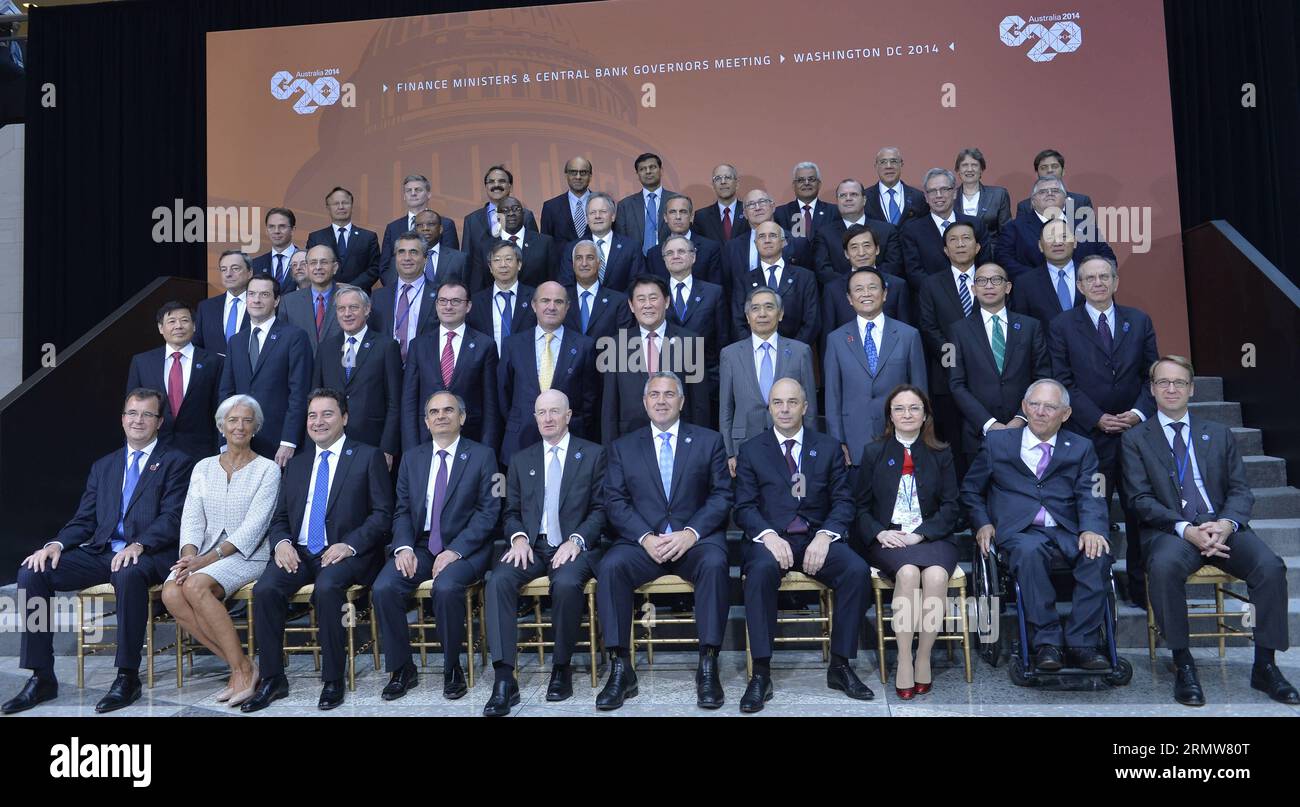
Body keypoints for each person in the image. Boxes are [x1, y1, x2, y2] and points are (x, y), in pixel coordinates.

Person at [2, 389, 194, 715]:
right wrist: (55, 545)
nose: (138, 420)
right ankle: (41, 674)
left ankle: (127, 675)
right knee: (31, 572)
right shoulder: (105, 466)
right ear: (122, 419)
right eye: (132, 413)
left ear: (159, 422)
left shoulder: (176, 462)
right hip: (102, 551)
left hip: (148, 553)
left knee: (128, 571)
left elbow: (173, 517)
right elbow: (84, 519)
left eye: (147, 414)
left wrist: (140, 544)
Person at [1122, 356, 1297, 706]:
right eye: (1163, 383)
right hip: (1172, 531)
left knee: (1271, 566)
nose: (1171, 389)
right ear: (1152, 389)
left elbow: (1240, 490)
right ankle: (1182, 661)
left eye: (1179, 383)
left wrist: (1226, 524)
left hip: (1222, 526)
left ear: (1192, 389)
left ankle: (1265, 664)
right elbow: (1139, 499)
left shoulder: (1217, 433)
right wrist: (1186, 529)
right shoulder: (1135, 439)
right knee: (1165, 567)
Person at [241, 389, 394, 712]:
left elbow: (382, 515)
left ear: (345, 418)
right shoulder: (297, 465)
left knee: (327, 588)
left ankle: (333, 678)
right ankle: (272, 678)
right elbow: (280, 517)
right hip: (299, 551)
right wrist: (281, 543)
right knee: (266, 589)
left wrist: (349, 544)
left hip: (346, 552)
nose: (318, 421)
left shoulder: (367, 456)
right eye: (312, 415)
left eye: (327, 414)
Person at [595, 372, 733, 710]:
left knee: (715, 564)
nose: (661, 400)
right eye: (654, 394)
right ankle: (620, 668)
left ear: (682, 401)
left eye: (669, 394)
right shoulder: (623, 447)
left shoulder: (708, 441)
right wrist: (644, 537)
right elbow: (614, 501)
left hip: (693, 542)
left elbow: (721, 496)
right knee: (611, 566)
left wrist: (690, 534)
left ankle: (708, 663)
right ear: (644, 403)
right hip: (643, 542)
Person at [735, 378, 873, 712]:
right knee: (761, 572)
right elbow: (744, 507)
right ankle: (761, 673)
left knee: (855, 570)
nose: (784, 409)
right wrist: (768, 536)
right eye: (778, 402)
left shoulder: (827, 447)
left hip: (816, 537)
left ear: (805, 407)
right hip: (770, 539)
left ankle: (840, 665)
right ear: (769, 407)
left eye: (792, 402)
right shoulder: (752, 449)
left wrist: (826, 536)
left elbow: (843, 502)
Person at [960, 379, 1112, 670]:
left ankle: (1083, 643)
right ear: (1024, 407)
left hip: (1067, 528)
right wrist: (982, 523)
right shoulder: (997, 443)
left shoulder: (1081, 448)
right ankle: (1047, 642)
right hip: (1020, 531)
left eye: (1050, 407)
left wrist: (1092, 528)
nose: (1041, 412)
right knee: (1029, 553)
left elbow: (1092, 494)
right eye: (1035, 404)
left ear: (1065, 414)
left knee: (1097, 553)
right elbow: (970, 490)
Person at [483, 390, 607, 716]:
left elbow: (601, 508)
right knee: (498, 581)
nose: (548, 418)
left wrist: (577, 539)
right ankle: (504, 677)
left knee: (566, 584)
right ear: (535, 418)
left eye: (555, 412)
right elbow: (509, 512)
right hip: (532, 548)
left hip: (573, 548)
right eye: (541, 413)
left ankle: (561, 667)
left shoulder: (593, 454)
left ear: (568, 416)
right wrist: (519, 538)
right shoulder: (521, 459)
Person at [373, 391, 502, 700]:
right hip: (419, 545)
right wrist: (402, 546)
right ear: (426, 421)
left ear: (462, 417)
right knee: (384, 587)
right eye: (433, 412)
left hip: (466, 548)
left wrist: (455, 550)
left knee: (445, 588)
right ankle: (402, 667)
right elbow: (402, 509)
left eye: (448, 410)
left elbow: (489, 511)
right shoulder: (413, 457)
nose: (440, 415)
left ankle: (452, 666)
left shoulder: (483, 455)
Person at [1049, 255, 1159, 606]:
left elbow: (1150, 377)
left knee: (1139, 513)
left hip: (1134, 437)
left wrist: (1138, 413)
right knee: (1089, 514)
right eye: (1089, 278)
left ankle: (1142, 589)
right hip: (1087, 436)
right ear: (1079, 286)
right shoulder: (1062, 325)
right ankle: (1096, 589)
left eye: (1104, 277)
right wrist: (1097, 417)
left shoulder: (1139, 321)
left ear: (1115, 282)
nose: (1097, 283)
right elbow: (1062, 380)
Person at [159, 394, 278, 708]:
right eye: (233, 420)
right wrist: (188, 556)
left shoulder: (267, 470)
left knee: (196, 585)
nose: (239, 426)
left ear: (255, 428)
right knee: (171, 593)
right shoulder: (203, 467)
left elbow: (254, 527)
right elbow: (192, 517)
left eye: (247, 420)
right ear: (221, 426)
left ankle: (240, 670)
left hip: (248, 554)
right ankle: (244, 666)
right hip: (203, 555)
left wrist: (203, 562)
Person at [852, 385, 960, 698]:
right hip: (889, 538)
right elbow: (859, 506)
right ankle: (903, 657)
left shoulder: (941, 452)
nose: (907, 414)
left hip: (931, 535)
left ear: (925, 414)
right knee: (909, 573)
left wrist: (922, 532)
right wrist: (878, 532)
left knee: (937, 575)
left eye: (914, 408)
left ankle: (923, 656)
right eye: (899, 409)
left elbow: (952, 505)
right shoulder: (874, 452)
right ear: (890, 415)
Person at [949, 262, 1051, 470]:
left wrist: (1021, 418)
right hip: (978, 434)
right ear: (973, 289)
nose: (989, 285)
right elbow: (956, 384)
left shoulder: (1031, 326)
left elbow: (1042, 378)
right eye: (981, 281)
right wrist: (989, 424)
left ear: (1008, 287)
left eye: (996, 280)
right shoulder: (957, 330)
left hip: (1027, 431)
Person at [824, 267, 927, 467]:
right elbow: (833, 397)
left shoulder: (908, 335)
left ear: (885, 293)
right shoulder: (836, 339)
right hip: (854, 441)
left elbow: (921, 391)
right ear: (849, 298)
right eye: (859, 289)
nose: (866, 294)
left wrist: (921, 437)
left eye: (872, 287)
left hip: (902, 437)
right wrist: (839, 442)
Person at [217, 273, 313, 467]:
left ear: (276, 300)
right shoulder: (236, 341)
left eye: (264, 295)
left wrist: (289, 440)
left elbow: (299, 393)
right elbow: (226, 394)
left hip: (278, 443)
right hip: (239, 438)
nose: (256, 300)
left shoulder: (294, 337)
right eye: (251, 294)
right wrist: (224, 438)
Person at [497, 280, 599, 463]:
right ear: (534, 305)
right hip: (521, 439)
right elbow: (504, 392)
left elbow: (589, 399)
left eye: (558, 302)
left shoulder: (584, 346)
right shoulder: (513, 344)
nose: (551, 307)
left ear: (567, 307)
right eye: (545, 301)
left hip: (568, 439)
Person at [600, 274, 710, 442]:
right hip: (630, 440)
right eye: (641, 299)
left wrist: (701, 446)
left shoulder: (690, 341)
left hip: (680, 440)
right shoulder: (616, 345)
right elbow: (609, 407)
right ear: (631, 305)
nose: (648, 305)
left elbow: (699, 404)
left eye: (653, 298)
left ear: (666, 302)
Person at [720, 287, 817, 474]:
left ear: (780, 314)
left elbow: (810, 407)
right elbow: (725, 408)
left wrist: (810, 448)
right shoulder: (730, 354)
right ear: (747, 317)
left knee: (792, 494)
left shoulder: (800, 351)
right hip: (744, 443)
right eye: (755, 309)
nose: (762, 314)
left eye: (769, 307)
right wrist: (729, 452)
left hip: (791, 443)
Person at [401, 277, 499, 452]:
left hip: (471, 439)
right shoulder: (418, 345)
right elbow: (409, 400)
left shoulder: (485, 345)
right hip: (425, 440)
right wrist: (411, 448)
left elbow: (490, 404)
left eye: (455, 301)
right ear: (436, 304)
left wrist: (488, 448)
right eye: (443, 301)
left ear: (468, 306)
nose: (448, 306)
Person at [313, 285, 402, 465]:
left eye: (353, 307)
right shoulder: (326, 348)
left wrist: (387, 447)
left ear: (367, 309)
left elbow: (395, 402)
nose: (347, 313)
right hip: (332, 439)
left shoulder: (386, 346)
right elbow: (316, 395)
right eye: (341, 308)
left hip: (372, 441)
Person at [126, 300, 223, 459]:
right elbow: (132, 407)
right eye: (171, 321)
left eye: (184, 320)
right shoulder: (142, 362)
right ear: (160, 328)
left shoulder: (214, 362)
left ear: (194, 326)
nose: (178, 326)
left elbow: (219, 408)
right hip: (154, 448)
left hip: (200, 451)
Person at [997, 176, 1115, 279]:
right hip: (1035, 292)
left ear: (1065, 198)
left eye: (1055, 191)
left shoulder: (1084, 225)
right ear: (1033, 201)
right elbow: (1004, 260)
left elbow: (1107, 256)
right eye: (1043, 192)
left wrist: (1089, 276)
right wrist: (1036, 277)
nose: (1049, 194)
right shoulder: (1014, 227)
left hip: (1084, 291)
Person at [900, 168, 988, 296]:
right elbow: (914, 272)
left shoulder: (975, 224)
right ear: (926, 197)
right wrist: (941, 294)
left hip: (973, 295)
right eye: (932, 191)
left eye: (944, 189)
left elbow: (984, 262)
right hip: (932, 299)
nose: (938, 195)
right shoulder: (911, 230)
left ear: (954, 193)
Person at [820, 225, 911, 349]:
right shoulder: (833, 290)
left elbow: (906, 334)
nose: (861, 253)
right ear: (846, 254)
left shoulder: (897, 286)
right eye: (854, 247)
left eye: (867, 245)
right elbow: (828, 338)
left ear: (877, 249)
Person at [732, 221, 821, 347]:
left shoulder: (805, 277)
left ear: (784, 242)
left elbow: (812, 321)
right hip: (755, 355)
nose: (767, 240)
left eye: (773, 235)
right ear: (756, 243)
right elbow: (738, 322)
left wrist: (793, 351)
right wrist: (755, 350)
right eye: (762, 236)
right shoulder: (743, 281)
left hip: (795, 353)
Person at [720, 189, 812, 303]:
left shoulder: (798, 243)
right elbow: (728, 288)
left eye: (762, 202)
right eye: (751, 204)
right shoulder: (732, 247)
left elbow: (807, 286)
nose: (757, 207)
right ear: (744, 214)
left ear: (773, 207)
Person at [659, 234, 729, 378]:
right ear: (664, 260)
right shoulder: (656, 293)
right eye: (670, 253)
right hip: (664, 378)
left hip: (706, 376)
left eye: (681, 251)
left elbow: (723, 338)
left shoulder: (714, 293)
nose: (675, 256)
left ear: (693, 257)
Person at [814, 179, 904, 283]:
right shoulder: (824, 234)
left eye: (854, 194)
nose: (848, 199)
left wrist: (870, 284)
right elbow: (824, 270)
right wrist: (852, 286)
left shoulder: (887, 231)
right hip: (840, 294)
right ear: (837, 201)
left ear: (864, 200)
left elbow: (893, 265)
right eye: (843, 195)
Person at [371, 232, 442, 364]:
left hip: (426, 370)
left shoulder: (440, 295)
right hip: (386, 371)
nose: (407, 258)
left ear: (425, 259)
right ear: (395, 258)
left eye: (414, 252)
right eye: (401, 252)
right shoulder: (378, 297)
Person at [380, 175, 460, 283]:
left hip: (440, 292)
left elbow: (452, 262)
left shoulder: (446, 224)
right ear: (404, 196)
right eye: (409, 190)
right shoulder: (393, 227)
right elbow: (385, 266)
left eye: (418, 190)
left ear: (428, 194)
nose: (413, 193)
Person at [557, 192, 644, 291]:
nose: (597, 216)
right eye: (592, 212)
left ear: (613, 216)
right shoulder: (573, 247)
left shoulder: (631, 247)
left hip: (622, 305)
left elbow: (638, 285)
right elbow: (566, 285)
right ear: (586, 218)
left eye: (603, 211)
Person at [468, 195, 557, 291]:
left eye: (516, 209)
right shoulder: (485, 246)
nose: (511, 213)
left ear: (523, 214)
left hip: (535, 302)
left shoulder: (545, 243)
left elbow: (553, 280)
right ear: (497, 217)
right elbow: (477, 286)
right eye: (505, 211)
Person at [466, 240, 538, 355]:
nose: (503, 265)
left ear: (519, 264)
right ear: (490, 267)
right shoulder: (476, 302)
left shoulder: (535, 298)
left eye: (508, 259)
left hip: (524, 366)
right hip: (487, 367)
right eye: (497, 260)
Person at [305, 186, 380, 291]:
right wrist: (331, 287)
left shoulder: (368, 237)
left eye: (345, 203)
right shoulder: (316, 238)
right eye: (336, 204)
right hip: (325, 294)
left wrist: (352, 287)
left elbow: (375, 268)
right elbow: (311, 266)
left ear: (352, 206)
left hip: (359, 294)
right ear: (328, 208)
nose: (341, 207)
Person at [563, 239, 635, 341]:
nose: (584, 263)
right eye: (579, 258)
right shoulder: (561, 299)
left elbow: (624, 342)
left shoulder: (619, 302)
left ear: (599, 264)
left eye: (590, 258)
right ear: (573, 264)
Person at [644, 195, 723, 286]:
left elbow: (715, 290)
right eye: (672, 212)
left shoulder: (710, 249)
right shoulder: (654, 254)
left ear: (691, 217)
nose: (678, 217)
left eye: (683, 212)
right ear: (665, 217)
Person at [279, 244, 342, 356]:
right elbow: (282, 344)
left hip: (338, 369)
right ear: (307, 268)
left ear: (335, 267)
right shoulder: (288, 302)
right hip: (301, 369)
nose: (318, 267)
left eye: (324, 262)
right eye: (313, 263)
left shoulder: (349, 299)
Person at [615, 152, 681, 254]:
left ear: (661, 170)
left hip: (670, 260)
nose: (648, 171)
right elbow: (621, 240)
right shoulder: (625, 205)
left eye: (652, 167)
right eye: (642, 169)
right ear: (637, 175)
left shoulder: (677, 200)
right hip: (636, 263)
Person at [462, 165, 539, 248]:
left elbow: (536, 249)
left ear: (510, 187)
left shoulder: (526, 216)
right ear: (486, 187)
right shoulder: (471, 220)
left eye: (501, 181)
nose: (496, 185)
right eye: (491, 182)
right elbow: (467, 256)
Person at [192, 249, 251, 355]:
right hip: (214, 370)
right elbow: (196, 345)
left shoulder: (260, 304)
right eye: (224, 269)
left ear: (249, 272)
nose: (228, 274)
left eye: (235, 268)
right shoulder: (206, 307)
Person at [954, 148, 1012, 255]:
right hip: (958, 254)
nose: (970, 169)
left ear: (981, 169)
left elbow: (1006, 232)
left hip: (991, 255)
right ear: (958, 170)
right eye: (965, 165)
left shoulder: (998, 195)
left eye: (974, 165)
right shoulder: (951, 197)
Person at [1013, 149, 1095, 219]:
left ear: (1063, 171)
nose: (1049, 171)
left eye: (1054, 166)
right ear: (1037, 173)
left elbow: (1090, 235)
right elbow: (1021, 236)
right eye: (1044, 167)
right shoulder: (1025, 206)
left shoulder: (1081, 202)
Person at [865, 147, 927, 226]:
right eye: (883, 162)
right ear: (876, 166)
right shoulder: (865, 198)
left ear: (901, 164)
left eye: (893, 161)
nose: (889, 166)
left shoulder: (918, 197)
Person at [773, 162, 835, 240]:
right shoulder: (780, 213)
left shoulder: (833, 212)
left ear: (819, 184)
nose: (806, 183)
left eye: (811, 179)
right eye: (800, 180)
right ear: (793, 186)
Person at [540, 156, 593, 245]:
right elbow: (545, 245)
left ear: (590, 176)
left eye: (583, 172)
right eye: (573, 172)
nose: (578, 177)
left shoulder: (603, 204)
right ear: (566, 175)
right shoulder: (550, 207)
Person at [412, 209, 469, 286]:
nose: (425, 228)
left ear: (440, 229)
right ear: (415, 231)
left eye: (431, 224)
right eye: (420, 225)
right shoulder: (404, 259)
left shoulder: (459, 259)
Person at [250, 207, 301, 293]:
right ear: (266, 230)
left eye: (282, 226)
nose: (276, 231)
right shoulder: (256, 264)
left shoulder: (307, 260)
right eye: (271, 227)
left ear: (292, 230)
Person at [693, 163, 746, 244]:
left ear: (737, 184)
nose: (723, 182)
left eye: (727, 177)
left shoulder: (749, 211)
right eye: (718, 178)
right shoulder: (702, 217)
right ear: (713, 185)